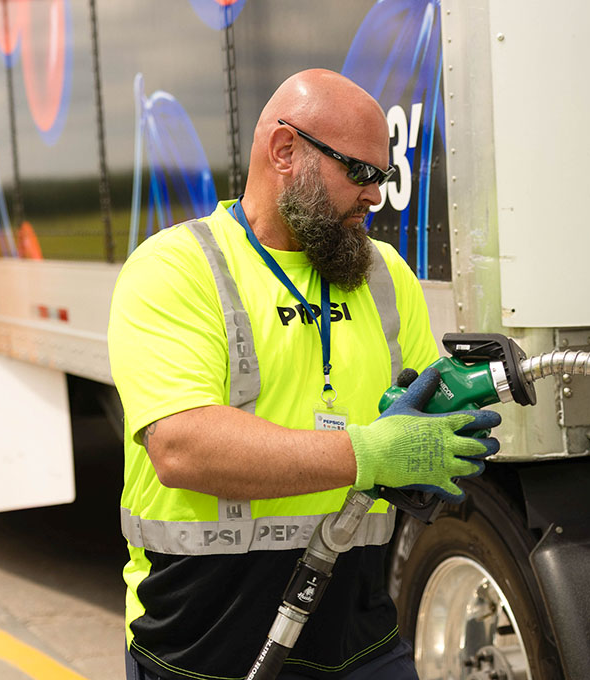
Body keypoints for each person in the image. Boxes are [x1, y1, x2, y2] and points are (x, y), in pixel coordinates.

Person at [108, 69, 501, 680]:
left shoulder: (384, 275)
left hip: (361, 639)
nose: (375, 195)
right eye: (361, 172)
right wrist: (370, 453)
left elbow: (420, 411)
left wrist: (435, 446)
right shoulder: (176, 269)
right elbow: (182, 448)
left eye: (384, 177)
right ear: (285, 151)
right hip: (203, 647)